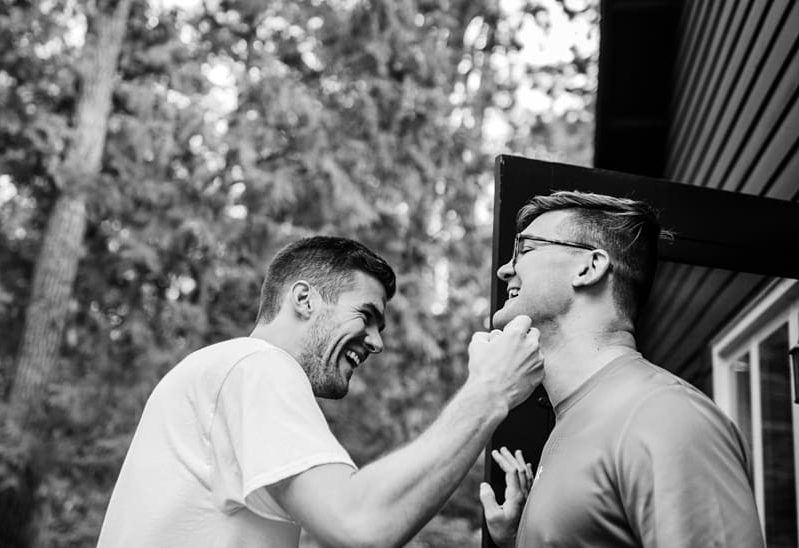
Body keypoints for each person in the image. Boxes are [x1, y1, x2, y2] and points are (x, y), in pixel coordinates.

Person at [97, 235, 544, 547]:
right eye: (365, 315)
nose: (377, 342)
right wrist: (491, 390)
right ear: (304, 299)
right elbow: (361, 525)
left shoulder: (222, 371)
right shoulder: (255, 366)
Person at [480, 190, 764, 548]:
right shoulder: (571, 421)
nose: (504, 269)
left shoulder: (667, 416)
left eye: (526, 249)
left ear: (589, 267)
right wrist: (517, 539)